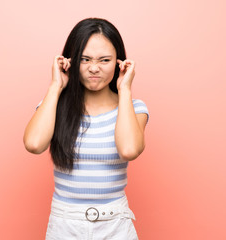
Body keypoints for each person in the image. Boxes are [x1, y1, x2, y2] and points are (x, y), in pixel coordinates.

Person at [23, 17, 149, 240]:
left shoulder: (133, 108)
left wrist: (125, 90)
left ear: (119, 62)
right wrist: (56, 85)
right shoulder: (53, 106)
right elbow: (34, 144)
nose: (94, 68)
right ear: (70, 61)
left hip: (116, 225)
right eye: (85, 59)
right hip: (64, 224)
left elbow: (129, 150)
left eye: (104, 60)